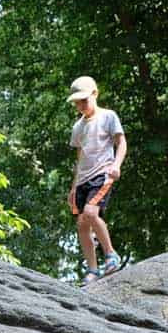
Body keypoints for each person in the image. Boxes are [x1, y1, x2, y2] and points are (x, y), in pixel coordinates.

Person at [66, 75, 127, 286]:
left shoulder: (108, 116)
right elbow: (80, 157)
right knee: (82, 224)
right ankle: (92, 270)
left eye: (84, 100)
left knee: (91, 213)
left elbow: (121, 142)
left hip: (102, 174)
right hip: (83, 180)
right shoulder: (78, 127)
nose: (81, 105)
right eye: (77, 102)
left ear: (95, 94)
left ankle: (111, 255)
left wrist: (116, 165)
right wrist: (74, 186)